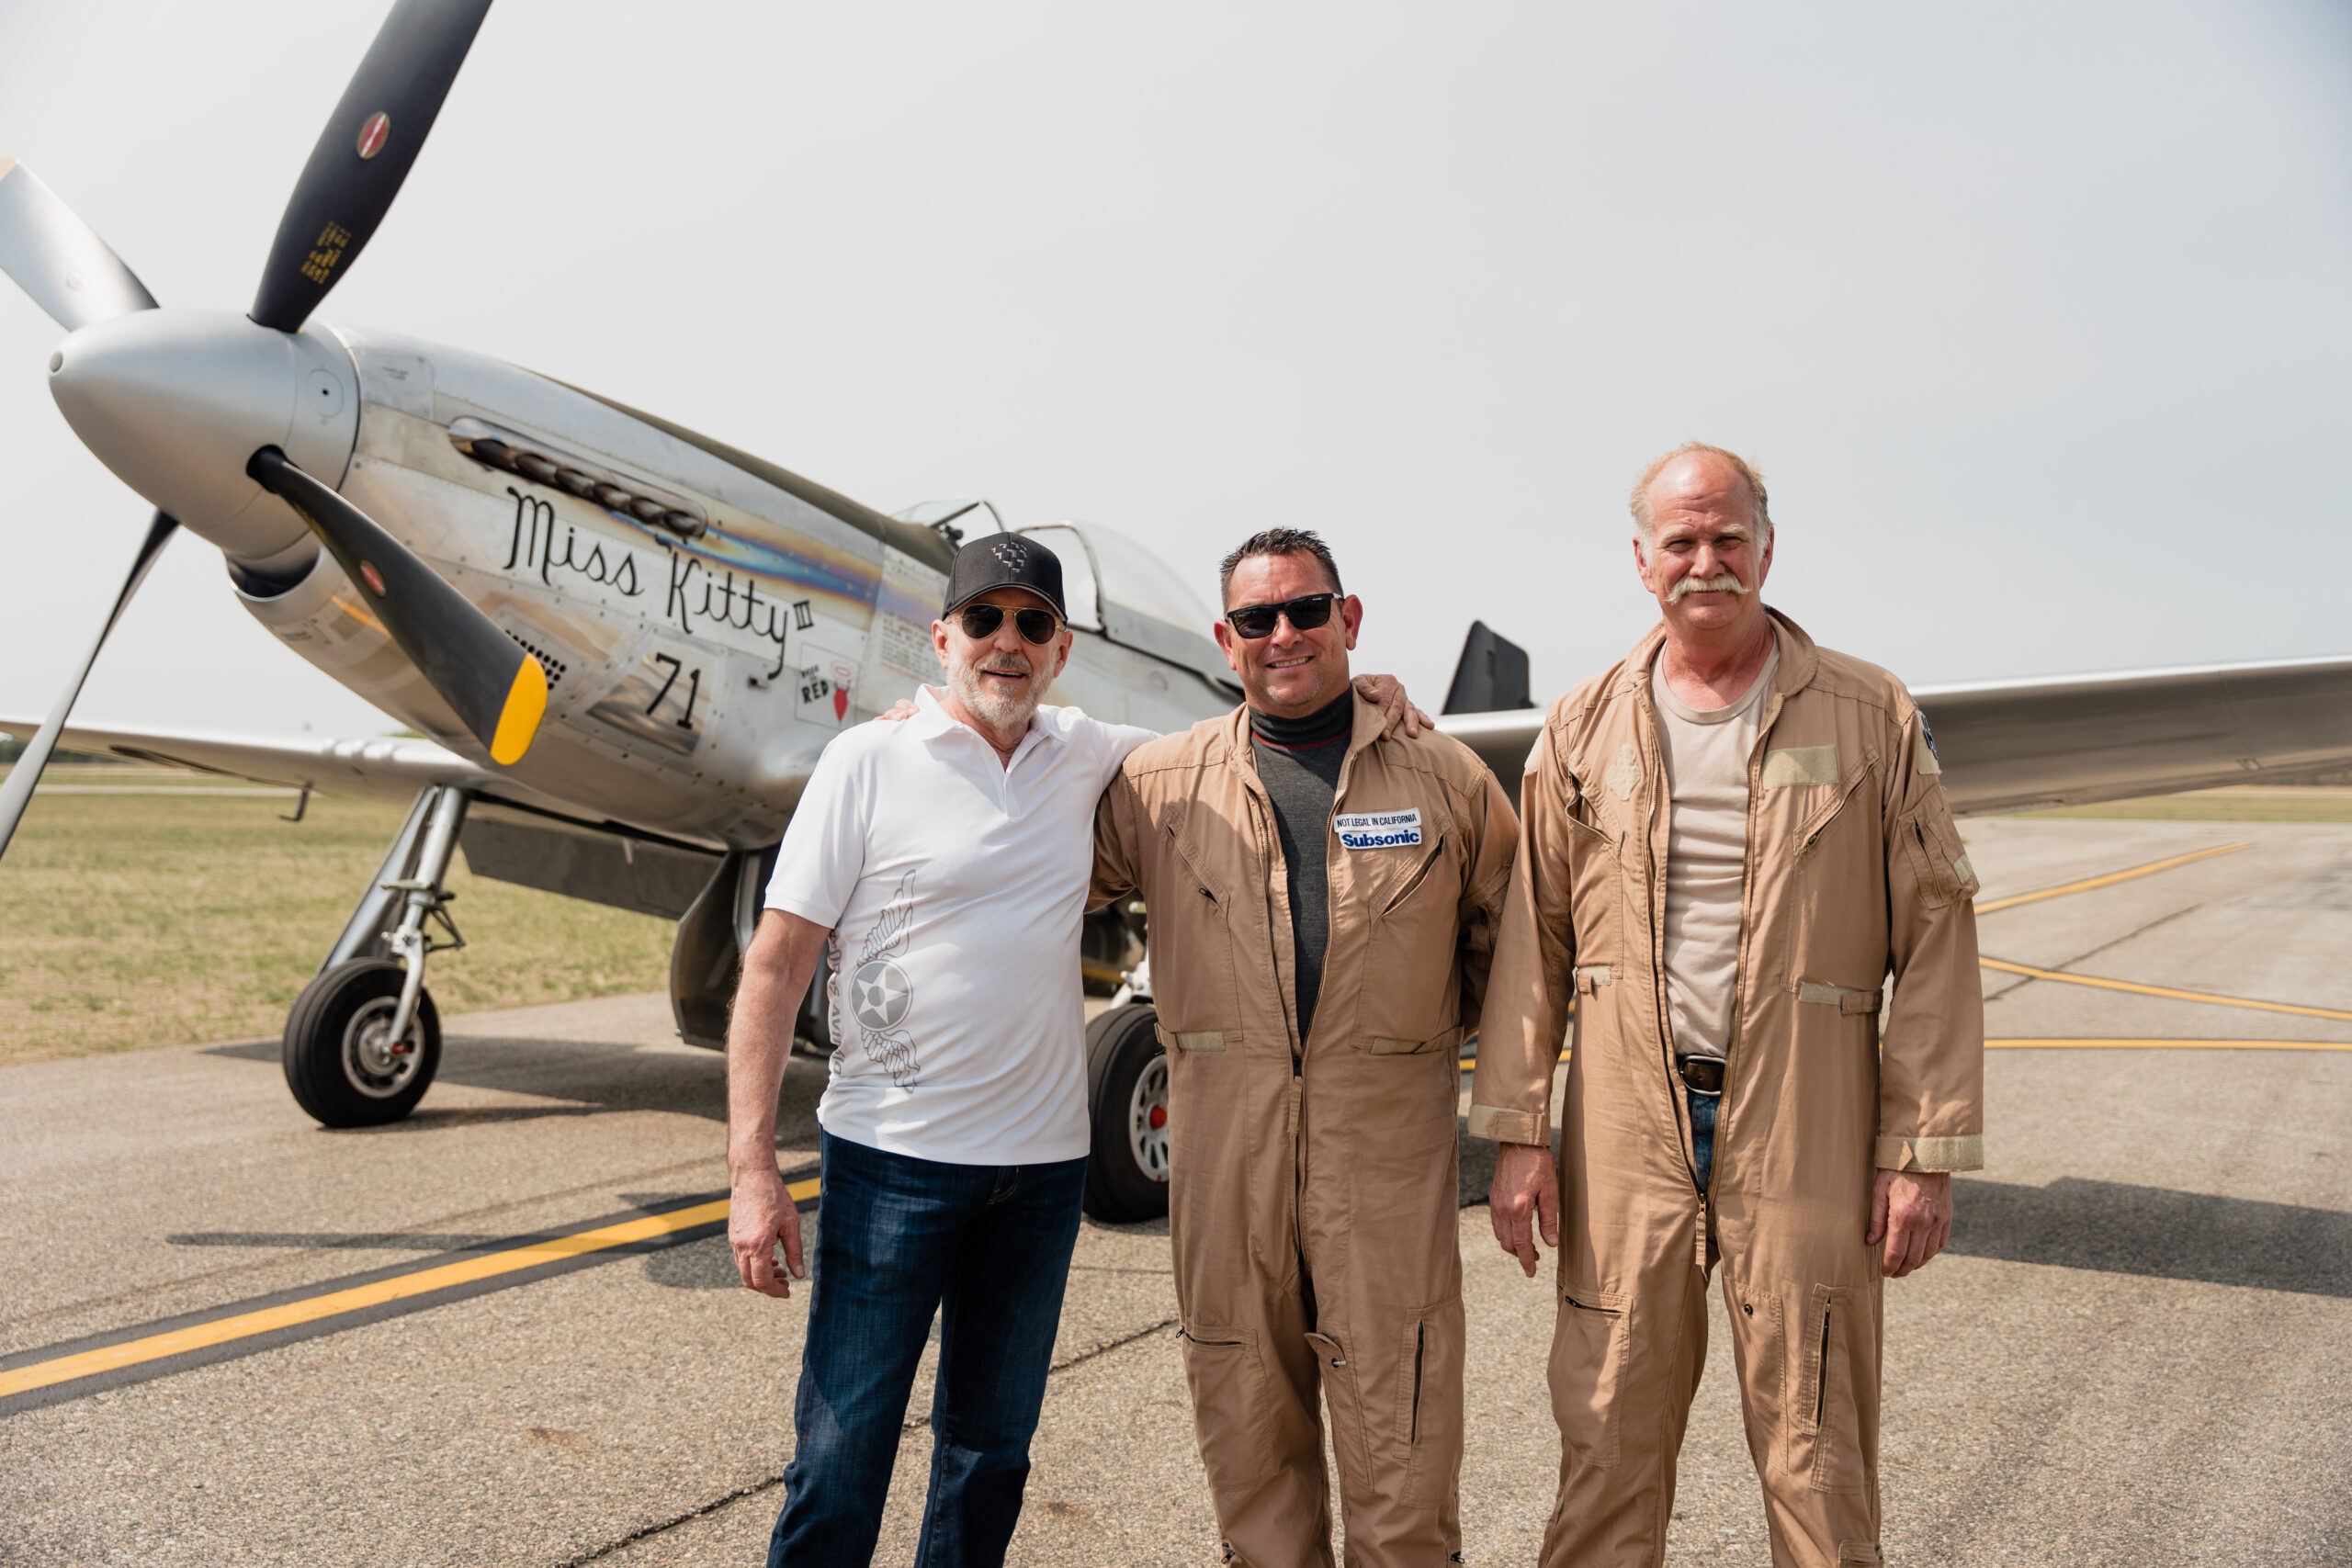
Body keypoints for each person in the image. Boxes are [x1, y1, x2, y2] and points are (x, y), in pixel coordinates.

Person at [727, 531, 1424, 1567]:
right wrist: (752, 1168)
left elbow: (1249, 738)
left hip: (1040, 1176)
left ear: (1061, 650)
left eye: (1033, 624)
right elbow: (778, 964)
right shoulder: (865, 761)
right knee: (838, 1461)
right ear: (942, 638)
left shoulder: (1093, 753)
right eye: (983, 619)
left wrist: (1357, 695)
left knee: (989, 1457)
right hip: (889, 1163)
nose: (1006, 641)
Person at [1472, 444, 1984, 1568]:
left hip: (1806, 1124)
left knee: (1816, 1447)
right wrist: (1516, 1132)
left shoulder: (1870, 712)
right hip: (1624, 1132)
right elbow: (1534, 941)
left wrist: (1921, 1151)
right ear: (1641, 561)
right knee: (1605, 1438)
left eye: (1726, 538)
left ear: (1766, 548)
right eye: (1680, 542)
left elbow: (1936, 930)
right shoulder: (1581, 723)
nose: (1704, 562)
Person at [1090, 527, 1518, 1568]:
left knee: (1404, 1463)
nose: (1282, 633)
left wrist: (1495, 1114)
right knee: (1251, 1463)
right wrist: (936, 736)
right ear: (1225, 640)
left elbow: (1514, 958)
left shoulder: (1447, 778)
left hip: (1387, 1174)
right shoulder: (1157, 785)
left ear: (1348, 618)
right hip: (1223, 1175)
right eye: (1257, 618)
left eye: (1306, 610)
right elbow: (1021, 860)